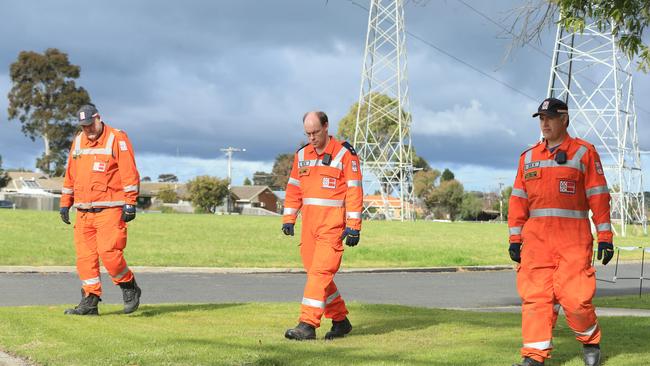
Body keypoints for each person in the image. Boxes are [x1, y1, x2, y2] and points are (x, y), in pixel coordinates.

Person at [508, 98, 614, 366]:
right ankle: (534, 356)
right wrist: (514, 238)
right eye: (541, 118)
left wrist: (605, 237)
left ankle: (590, 341)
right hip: (537, 244)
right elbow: (518, 201)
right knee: (536, 299)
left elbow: (599, 197)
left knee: (576, 300)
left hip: (573, 242)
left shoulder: (584, 153)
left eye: (550, 117)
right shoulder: (528, 157)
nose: (544, 123)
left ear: (564, 119)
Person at [281, 111, 363, 340]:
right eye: (308, 133)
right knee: (317, 276)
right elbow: (294, 188)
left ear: (326, 127)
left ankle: (307, 324)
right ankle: (340, 320)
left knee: (319, 273)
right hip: (309, 227)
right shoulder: (302, 155)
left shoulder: (345, 154)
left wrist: (354, 225)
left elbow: (355, 191)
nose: (312, 138)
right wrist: (289, 218)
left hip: (332, 226)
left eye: (315, 132)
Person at [59, 104, 142, 316]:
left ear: (98, 118)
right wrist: (65, 202)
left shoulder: (117, 138)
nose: (88, 129)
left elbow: (129, 172)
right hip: (84, 212)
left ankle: (128, 286)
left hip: (110, 209)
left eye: (90, 124)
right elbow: (70, 174)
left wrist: (130, 202)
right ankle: (90, 300)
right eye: (84, 126)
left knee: (109, 254)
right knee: (85, 258)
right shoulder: (78, 141)